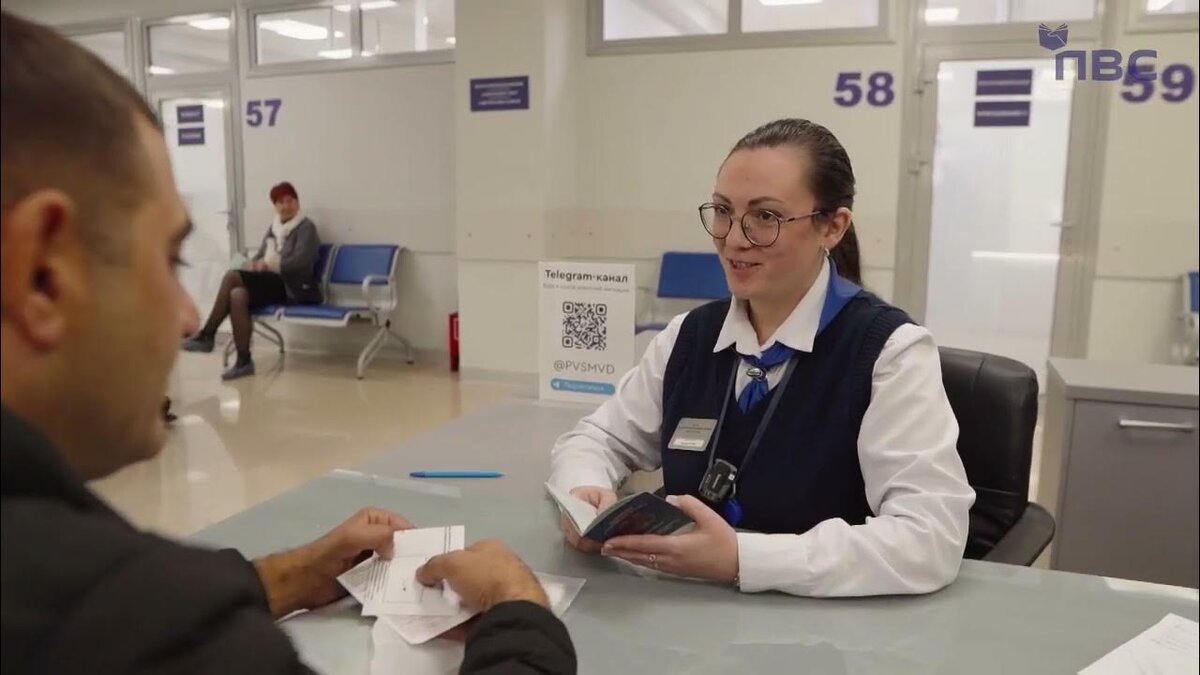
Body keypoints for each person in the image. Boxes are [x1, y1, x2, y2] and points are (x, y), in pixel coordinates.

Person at [0, 11, 574, 674]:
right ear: (43, 274)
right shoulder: (144, 631)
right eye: (169, 258)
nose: (183, 316)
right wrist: (519, 611)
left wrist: (296, 572)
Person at [548, 118, 975, 598]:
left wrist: (741, 559)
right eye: (723, 211)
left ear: (832, 226)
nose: (734, 238)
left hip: (825, 626)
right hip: (684, 611)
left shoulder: (889, 353)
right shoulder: (688, 338)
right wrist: (584, 493)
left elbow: (929, 539)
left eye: (765, 217)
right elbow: (596, 439)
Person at [181, 181, 323, 381]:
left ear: (297, 203)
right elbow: (261, 256)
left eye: (290, 201)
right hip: (273, 284)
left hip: (295, 288)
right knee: (237, 294)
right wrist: (254, 264)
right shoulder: (274, 228)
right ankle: (244, 361)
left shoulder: (306, 228)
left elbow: (301, 263)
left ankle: (208, 334)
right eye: (280, 202)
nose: (285, 206)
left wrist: (270, 264)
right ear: (275, 206)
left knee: (232, 277)